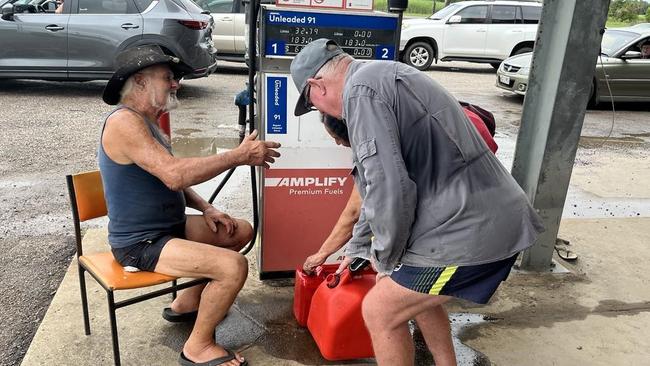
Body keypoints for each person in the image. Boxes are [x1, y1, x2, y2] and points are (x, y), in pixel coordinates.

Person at [290, 39, 544, 366]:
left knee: (379, 309)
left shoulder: (361, 93)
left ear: (317, 86)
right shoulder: (379, 76)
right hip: (479, 217)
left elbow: (389, 187)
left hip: (472, 228)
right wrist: (358, 250)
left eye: (312, 104)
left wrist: (383, 260)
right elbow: (373, 191)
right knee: (412, 295)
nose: (320, 111)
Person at [99, 45, 280, 366]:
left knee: (239, 231)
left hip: (168, 228)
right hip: (141, 244)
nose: (175, 84)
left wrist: (207, 208)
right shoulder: (124, 122)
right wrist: (237, 155)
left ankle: (188, 303)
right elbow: (173, 175)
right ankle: (198, 347)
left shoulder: (147, 121)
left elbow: (170, 177)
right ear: (140, 81)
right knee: (233, 267)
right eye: (168, 77)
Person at [302, 108, 498, 273]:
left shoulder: (379, 147)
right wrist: (357, 248)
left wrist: (323, 253)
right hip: (469, 144)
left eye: (336, 138)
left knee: (405, 273)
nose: (337, 143)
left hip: (468, 197)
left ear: (352, 132)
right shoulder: (389, 122)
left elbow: (359, 210)